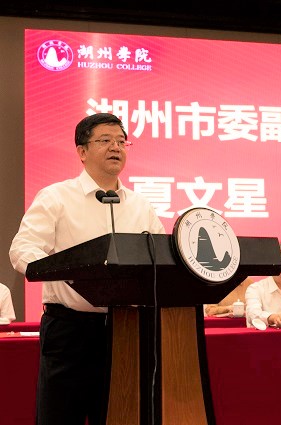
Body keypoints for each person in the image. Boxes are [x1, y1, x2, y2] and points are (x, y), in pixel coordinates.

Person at [9, 113, 166, 425]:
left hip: (128, 330)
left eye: (121, 142)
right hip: (71, 330)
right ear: (82, 151)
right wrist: (67, 273)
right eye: (105, 140)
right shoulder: (56, 197)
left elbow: (160, 259)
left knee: (120, 416)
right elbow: (22, 249)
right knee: (59, 417)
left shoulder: (140, 205)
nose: (115, 147)